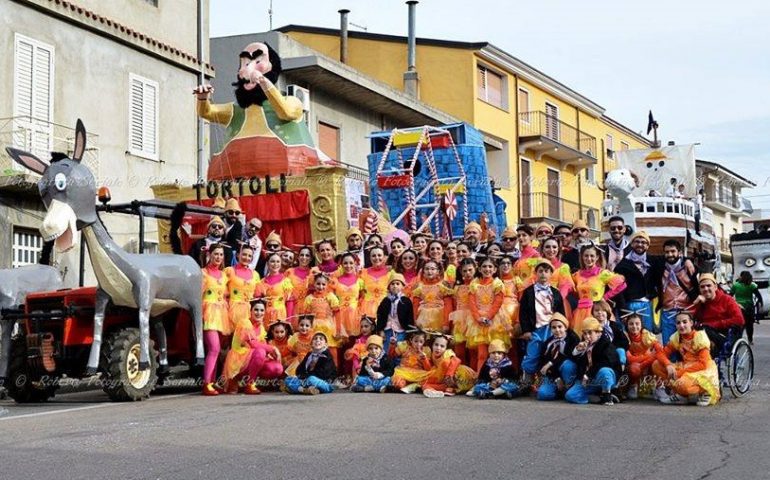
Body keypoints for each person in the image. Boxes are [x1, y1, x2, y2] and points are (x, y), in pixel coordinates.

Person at [652, 311, 719, 406]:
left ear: (691, 323)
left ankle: (705, 391)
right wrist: (667, 364)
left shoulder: (699, 337)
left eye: (684, 322)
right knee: (656, 365)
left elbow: (702, 364)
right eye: (678, 323)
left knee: (682, 384)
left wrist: (679, 373)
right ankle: (682, 396)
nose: (681, 325)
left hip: (703, 370)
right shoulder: (677, 337)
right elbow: (661, 353)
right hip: (686, 367)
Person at [519, 259, 566, 384]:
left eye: (546, 271)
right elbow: (523, 313)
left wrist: (561, 328)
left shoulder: (555, 292)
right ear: (535, 273)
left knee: (550, 353)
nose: (543, 274)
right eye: (540, 271)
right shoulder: (528, 292)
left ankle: (548, 379)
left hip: (551, 329)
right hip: (536, 329)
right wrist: (527, 330)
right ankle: (527, 379)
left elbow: (560, 312)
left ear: (551, 274)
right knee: (533, 354)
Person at [222, 299, 283, 394]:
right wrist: (273, 348)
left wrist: (270, 355)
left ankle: (248, 381)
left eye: (262, 310)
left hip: (254, 358)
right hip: (238, 361)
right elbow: (253, 344)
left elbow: (262, 345)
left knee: (277, 368)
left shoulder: (261, 327)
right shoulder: (245, 323)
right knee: (260, 352)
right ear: (250, 311)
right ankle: (245, 382)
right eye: (256, 310)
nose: (259, 313)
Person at [614, 231, 664, 333]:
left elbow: (672, 259)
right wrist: (623, 310)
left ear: (647, 245)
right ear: (632, 244)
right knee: (632, 335)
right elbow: (617, 290)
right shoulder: (623, 265)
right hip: (630, 305)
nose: (640, 244)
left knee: (647, 336)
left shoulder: (653, 262)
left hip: (648, 304)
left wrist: (687, 260)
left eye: (643, 242)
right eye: (637, 241)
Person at [572, 245, 626, 336]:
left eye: (592, 256)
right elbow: (572, 289)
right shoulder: (577, 275)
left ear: (597, 257)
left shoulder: (602, 273)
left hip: (597, 311)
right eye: (586, 256)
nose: (589, 259)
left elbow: (622, 284)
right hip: (580, 312)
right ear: (582, 257)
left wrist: (605, 297)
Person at [565, 317, 622, 406]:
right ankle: (598, 398)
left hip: (603, 378)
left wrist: (588, 374)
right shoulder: (584, 344)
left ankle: (607, 395)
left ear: (598, 333)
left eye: (590, 333)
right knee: (570, 395)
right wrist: (577, 351)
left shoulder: (606, 344)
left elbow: (605, 362)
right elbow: (575, 361)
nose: (587, 336)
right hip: (589, 381)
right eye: (585, 333)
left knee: (604, 371)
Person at [201, 243, 232, 396]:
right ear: (209, 255)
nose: (218, 257)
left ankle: (212, 382)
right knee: (214, 348)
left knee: (218, 350)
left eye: (221, 254)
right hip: (209, 312)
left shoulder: (224, 275)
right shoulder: (203, 273)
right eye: (216, 254)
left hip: (222, 313)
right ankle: (207, 383)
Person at [467, 256, 505, 371]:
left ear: (494, 269)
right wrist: (478, 318)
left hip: (495, 320)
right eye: (484, 266)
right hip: (477, 321)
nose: (487, 269)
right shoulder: (474, 284)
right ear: (479, 269)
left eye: (490, 266)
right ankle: (480, 378)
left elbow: (498, 302)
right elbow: (471, 303)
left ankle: (498, 378)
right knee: (482, 354)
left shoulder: (498, 283)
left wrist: (488, 317)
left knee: (496, 352)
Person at [659, 239, 699, 344]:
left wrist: (687, 260)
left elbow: (700, 286)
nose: (670, 254)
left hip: (686, 312)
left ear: (679, 253)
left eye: (673, 251)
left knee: (688, 346)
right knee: (669, 345)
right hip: (668, 313)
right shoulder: (659, 267)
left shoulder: (689, 268)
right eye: (667, 252)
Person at [694, 273, 745, 353]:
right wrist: (696, 304)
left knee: (703, 329)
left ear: (715, 287)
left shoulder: (727, 300)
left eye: (708, 285)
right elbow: (692, 318)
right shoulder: (701, 302)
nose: (706, 289)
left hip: (724, 335)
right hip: (704, 334)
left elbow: (739, 320)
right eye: (702, 287)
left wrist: (715, 324)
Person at [535, 313, 579, 401]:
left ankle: (569, 388)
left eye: (560, 326)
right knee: (542, 394)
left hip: (569, 372)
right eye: (554, 327)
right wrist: (556, 378)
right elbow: (542, 363)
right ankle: (558, 392)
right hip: (553, 374)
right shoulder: (548, 343)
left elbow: (570, 356)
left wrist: (551, 363)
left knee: (568, 364)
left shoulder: (573, 339)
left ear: (565, 327)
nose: (557, 330)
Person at [302, 273, 342, 367]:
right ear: (314, 284)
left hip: (328, 327)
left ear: (327, 285)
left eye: (323, 284)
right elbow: (306, 316)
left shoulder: (331, 297)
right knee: (314, 348)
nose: (320, 286)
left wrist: (338, 330)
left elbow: (337, 314)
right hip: (314, 327)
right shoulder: (309, 299)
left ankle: (333, 371)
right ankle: (314, 370)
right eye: (318, 284)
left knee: (331, 349)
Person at [224, 245, 261, 335]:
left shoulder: (255, 275)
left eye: (249, 256)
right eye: (244, 254)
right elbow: (223, 292)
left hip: (249, 312)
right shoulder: (229, 271)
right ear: (237, 255)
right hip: (232, 310)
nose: (246, 258)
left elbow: (257, 295)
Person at [624, 313, 661, 400]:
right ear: (627, 325)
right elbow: (629, 359)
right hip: (634, 367)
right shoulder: (624, 337)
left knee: (658, 363)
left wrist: (646, 361)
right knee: (634, 368)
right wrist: (649, 356)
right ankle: (633, 386)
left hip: (647, 365)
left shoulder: (647, 335)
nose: (634, 326)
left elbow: (660, 350)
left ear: (641, 325)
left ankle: (657, 387)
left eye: (637, 324)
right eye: (631, 324)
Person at [254, 252, 295, 328]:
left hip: (280, 314)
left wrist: (288, 321)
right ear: (268, 263)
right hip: (265, 315)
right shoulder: (261, 282)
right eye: (272, 261)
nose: (275, 264)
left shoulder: (285, 281)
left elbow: (290, 302)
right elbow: (257, 301)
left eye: (278, 261)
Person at [412, 260, 453, 333]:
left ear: (438, 271)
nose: (429, 271)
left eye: (432, 269)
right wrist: (414, 320)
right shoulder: (419, 287)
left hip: (439, 318)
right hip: (422, 318)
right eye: (427, 269)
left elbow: (448, 306)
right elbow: (415, 305)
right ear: (423, 271)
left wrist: (446, 323)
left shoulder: (443, 286)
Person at [331, 252, 365, 338]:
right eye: (345, 263)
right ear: (341, 264)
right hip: (339, 314)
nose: (348, 265)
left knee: (353, 339)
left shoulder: (360, 281)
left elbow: (363, 297)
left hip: (354, 315)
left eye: (351, 263)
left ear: (355, 263)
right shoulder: (335, 281)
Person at [376, 273, 413, 350]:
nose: (395, 286)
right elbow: (380, 315)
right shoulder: (386, 300)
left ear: (403, 286)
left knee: (399, 350)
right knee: (386, 350)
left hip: (401, 331)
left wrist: (409, 333)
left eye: (397, 284)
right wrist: (380, 330)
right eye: (392, 284)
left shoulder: (406, 301)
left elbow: (409, 317)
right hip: (387, 330)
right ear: (389, 286)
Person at [449, 259, 476, 365]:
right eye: (464, 271)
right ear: (460, 272)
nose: (467, 273)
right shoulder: (457, 288)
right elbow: (455, 305)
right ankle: (461, 374)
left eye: (470, 270)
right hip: (460, 320)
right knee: (459, 350)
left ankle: (473, 375)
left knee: (473, 350)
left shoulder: (478, 285)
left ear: (475, 269)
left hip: (473, 320)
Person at [391, 329, 432, 393]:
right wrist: (392, 344)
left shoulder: (426, 350)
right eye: (416, 341)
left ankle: (412, 386)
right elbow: (392, 355)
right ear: (411, 340)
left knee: (428, 381)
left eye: (421, 342)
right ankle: (410, 386)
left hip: (418, 374)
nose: (418, 344)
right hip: (404, 373)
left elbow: (428, 369)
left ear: (424, 342)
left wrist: (424, 358)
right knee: (398, 384)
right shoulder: (405, 347)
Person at [731, 270, 762, 344]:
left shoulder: (736, 285)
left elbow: (730, 295)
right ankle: (750, 340)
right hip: (749, 307)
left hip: (739, 307)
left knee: (740, 324)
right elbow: (758, 295)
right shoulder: (752, 285)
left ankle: (739, 339)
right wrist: (761, 303)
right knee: (749, 325)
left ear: (741, 276)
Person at [359, 246, 392, 318]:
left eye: (379, 255)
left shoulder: (391, 273)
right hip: (367, 308)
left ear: (384, 257)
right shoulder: (363, 273)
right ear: (370, 258)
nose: (377, 258)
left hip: (386, 307)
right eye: (373, 256)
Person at [344, 316, 376, 381]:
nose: (363, 329)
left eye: (366, 326)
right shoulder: (359, 341)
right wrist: (357, 367)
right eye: (361, 327)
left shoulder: (375, 340)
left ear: (372, 328)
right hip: (359, 367)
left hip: (372, 366)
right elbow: (355, 357)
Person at [285, 246, 315, 313]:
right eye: (302, 255)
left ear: (311, 259)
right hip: (291, 309)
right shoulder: (289, 272)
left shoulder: (313, 273)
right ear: (298, 257)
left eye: (307, 255)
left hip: (308, 309)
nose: (304, 257)